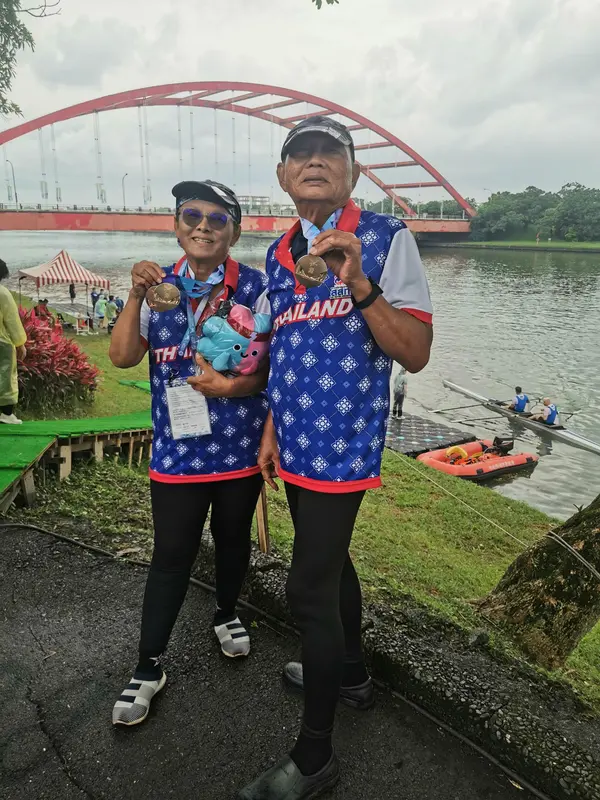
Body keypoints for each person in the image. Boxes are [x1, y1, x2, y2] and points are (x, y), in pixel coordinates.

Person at [241, 116, 433, 799]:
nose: (316, 162)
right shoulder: (279, 252)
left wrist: (360, 284)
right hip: (293, 439)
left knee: (307, 589)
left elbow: (415, 351)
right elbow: (284, 349)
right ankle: (349, 675)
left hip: (342, 446)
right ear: (283, 176)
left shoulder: (386, 238)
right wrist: (270, 424)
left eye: (331, 152)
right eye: (302, 154)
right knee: (331, 564)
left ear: (353, 171)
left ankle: (315, 756)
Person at [109, 179, 270, 727]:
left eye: (217, 218)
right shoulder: (157, 287)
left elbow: (270, 370)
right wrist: (134, 295)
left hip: (240, 448)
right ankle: (148, 666)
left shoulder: (256, 288)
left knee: (232, 539)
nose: (203, 226)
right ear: (176, 226)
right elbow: (122, 357)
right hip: (177, 452)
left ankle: (225, 612)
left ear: (234, 232)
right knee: (171, 554)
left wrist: (232, 387)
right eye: (191, 215)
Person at [0, 258, 27, 425]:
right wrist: (20, 343)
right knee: (6, 376)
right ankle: (6, 414)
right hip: (2, 343)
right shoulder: (3, 293)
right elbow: (12, 321)